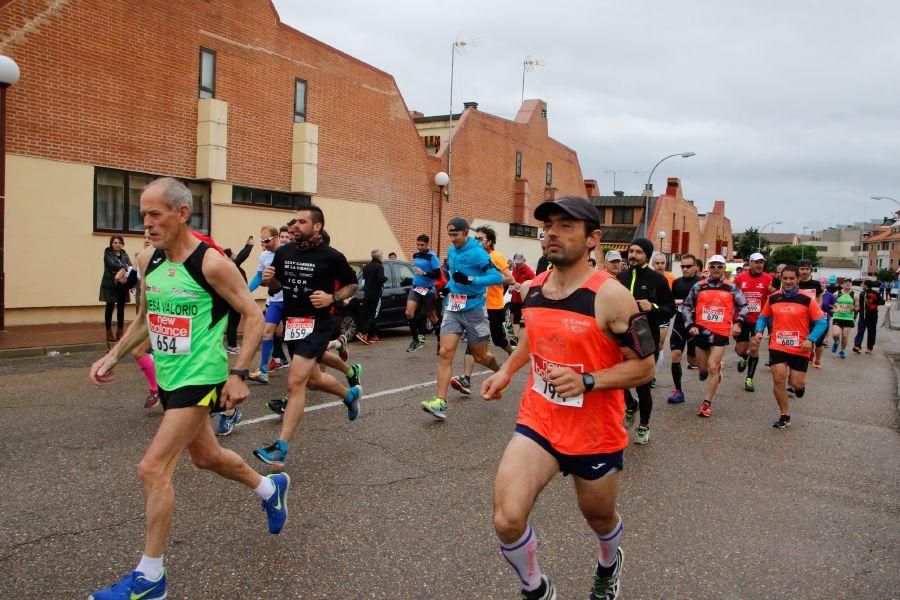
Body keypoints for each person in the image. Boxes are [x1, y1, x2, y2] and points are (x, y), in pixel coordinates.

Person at [87, 178, 289, 600]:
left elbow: (252, 316)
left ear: (182, 213)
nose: (146, 223)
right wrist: (113, 355)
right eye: (143, 214)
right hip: (170, 376)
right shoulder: (148, 261)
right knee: (206, 457)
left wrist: (239, 373)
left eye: (155, 214)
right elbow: (145, 316)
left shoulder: (212, 263)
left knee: (152, 468)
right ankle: (271, 489)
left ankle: (151, 577)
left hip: (202, 376)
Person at [482, 195, 655, 600]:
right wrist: (507, 371)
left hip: (594, 432)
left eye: (566, 226)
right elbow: (534, 335)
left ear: (593, 238)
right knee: (507, 519)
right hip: (539, 421)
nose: (552, 234)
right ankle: (536, 590)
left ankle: (610, 564)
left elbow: (645, 367)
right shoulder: (535, 288)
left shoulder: (611, 296)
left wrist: (589, 381)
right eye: (548, 226)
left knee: (598, 516)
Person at [254, 204, 362, 468]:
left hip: (318, 324)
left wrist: (332, 297)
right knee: (312, 380)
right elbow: (278, 285)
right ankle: (350, 396)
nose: (295, 226)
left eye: (302, 222)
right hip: (293, 323)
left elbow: (353, 285)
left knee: (295, 383)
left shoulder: (331, 256)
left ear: (317, 227)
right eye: (295, 222)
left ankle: (280, 447)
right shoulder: (283, 252)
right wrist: (270, 280)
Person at [421, 216, 504, 421]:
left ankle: (502, 372)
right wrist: (449, 286)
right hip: (453, 307)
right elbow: (454, 275)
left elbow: (497, 277)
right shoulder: (451, 251)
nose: (453, 239)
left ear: (466, 233)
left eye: (456, 235)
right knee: (445, 352)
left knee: (480, 357)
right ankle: (440, 402)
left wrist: (470, 279)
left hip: (475, 309)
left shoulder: (477, 253)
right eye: (450, 235)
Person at [616, 237, 675, 444]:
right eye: (631, 251)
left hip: (645, 339)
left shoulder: (657, 280)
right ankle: (630, 405)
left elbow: (670, 309)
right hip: (621, 339)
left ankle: (644, 425)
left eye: (638, 252)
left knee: (643, 385)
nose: (633, 255)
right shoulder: (620, 278)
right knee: (618, 380)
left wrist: (653, 307)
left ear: (647, 256)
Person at [754, 265, 828, 429]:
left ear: (798, 279)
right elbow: (763, 317)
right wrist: (759, 330)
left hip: (800, 348)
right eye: (785, 278)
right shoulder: (773, 298)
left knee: (796, 383)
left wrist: (811, 339)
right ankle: (784, 414)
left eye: (791, 278)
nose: (788, 281)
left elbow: (822, 322)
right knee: (778, 378)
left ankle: (798, 387)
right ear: (780, 278)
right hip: (777, 345)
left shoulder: (807, 299)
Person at [450, 225, 516, 396]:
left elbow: (510, 279)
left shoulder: (496, 257)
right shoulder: (472, 256)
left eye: (481, 239)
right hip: (477, 307)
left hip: (493, 306)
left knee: (499, 339)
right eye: (476, 238)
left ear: (489, 241)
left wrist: (485, 280)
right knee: (473, 344)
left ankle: (514, 358)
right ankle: (466, 379)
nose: (477, 241)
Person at [682, 254, 748, 418]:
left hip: (720, 332)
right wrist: (690, 325)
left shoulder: (731, 287)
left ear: (724, 268)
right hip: (701, 331)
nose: (716, 269)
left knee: (712, 367)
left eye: (719, 266)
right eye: (713, 266)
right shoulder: (699, 286)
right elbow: (686, 306)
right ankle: (714, 370)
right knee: (703, 368)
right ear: (708, 268)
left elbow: (744, 306)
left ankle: (706, 404)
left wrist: (738, 323)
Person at [246, 226, 286, 384]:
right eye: (262, 241)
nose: (264, 244)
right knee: (267, 332)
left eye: (267, 241)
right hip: (275, 301)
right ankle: (263, 372)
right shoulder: (263, 256)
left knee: (296, 339)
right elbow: (258, 277)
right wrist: (246, 291)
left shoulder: (288, 251)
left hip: (291, 301)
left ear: (276, 237)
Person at [732, 252, 775, 391]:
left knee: (755, 347)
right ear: (750, 263)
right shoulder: (740, 279)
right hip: (742, 319)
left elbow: (773, 297)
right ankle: (744, 357)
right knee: (740, 350)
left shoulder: (768, 279)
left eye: (761, 262)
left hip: (759, 320)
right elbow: (732, 297)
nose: (759, 265)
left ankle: (749, 379)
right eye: (756, 262)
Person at [667, 254, 702, 404]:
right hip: (680, 323)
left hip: (695, 325)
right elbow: (671, 301)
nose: (685, 269)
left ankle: (709, 368)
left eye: (688, 266)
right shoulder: (677, 283)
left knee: (693, 360)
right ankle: (678, 391)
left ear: (696, 267)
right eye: (683, 266)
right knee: (675, 355)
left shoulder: (702, 283)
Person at [405, 234, 442, 352]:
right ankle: (416, 340)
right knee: (408, 312)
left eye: (422, 245)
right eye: (418, 244)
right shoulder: (416, 255)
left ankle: (440, 340)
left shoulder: (433, 257)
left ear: (427, 244)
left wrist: (424, 273)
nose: (419, 247)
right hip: (416, 288)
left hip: (428, 290)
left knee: (432, 317)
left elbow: (437, 275)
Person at [99, 235, 133, 343]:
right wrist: (124, 266)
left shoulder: (124, 254)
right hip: (110, 285)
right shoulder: (107, 254)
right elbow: (113, 265)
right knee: (109, 308)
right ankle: (108, 332)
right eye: (115, 242)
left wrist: (124, 267)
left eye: (119, 242)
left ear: (122, 244)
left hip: (122, 285)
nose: (117, 244)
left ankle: (120, 331)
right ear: (111, 244)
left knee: (121, 309)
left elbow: (130, 266)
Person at [223, 236, 254, 354]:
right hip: (234, 298)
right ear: (229, 258)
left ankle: (231, 345)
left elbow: (240, 256)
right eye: (233, 254)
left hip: (233, 297)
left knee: (232, 321)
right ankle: (232, 346)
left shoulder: (232, 266)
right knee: (234, 321)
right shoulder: (231, 266)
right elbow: (242, 256)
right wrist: (249, 246)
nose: (235, 255)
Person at [356, 249, 388, 344]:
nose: (382, 257)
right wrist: (385, 277)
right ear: (378, 257)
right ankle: (363, 333)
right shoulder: (379, 267)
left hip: (367, 294)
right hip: (376, 294)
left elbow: (364, 281)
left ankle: (372, 336)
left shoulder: (367, 267)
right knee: (375, 315)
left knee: (369, 315)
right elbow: (380, 279)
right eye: (382, 256)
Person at [650, 252, 676, 356]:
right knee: (651, 344)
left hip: (664, 315)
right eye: (657, 263)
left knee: (659, 343)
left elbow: (675, 296)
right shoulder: (648, 278)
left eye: (662, 263)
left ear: (665, 264)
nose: (660, 265)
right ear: (653, 264)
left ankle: (656, 368)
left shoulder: (672, 279)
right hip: (651, 314)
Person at [830, 278, 858, 358]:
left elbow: (857, 307)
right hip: (837, 317)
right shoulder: (837, 293)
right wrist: (835, 308)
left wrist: (852, 307)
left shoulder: (855, 295)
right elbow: (831, 303)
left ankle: (842, 351)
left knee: (845, 336)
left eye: (850, 282)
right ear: (843, 284)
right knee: (836, 334)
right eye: (846, 282)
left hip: (848, 318)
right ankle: (836, 342)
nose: (848, 284)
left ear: (851, 284)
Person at [853, 280, 883, 354]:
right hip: (863, 316)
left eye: (862, 284)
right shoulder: (862, 294)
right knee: (860, 331)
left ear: (866, 285)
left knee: (871, 332)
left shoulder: (875, 293)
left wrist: (873, 301)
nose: (861, 285)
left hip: (872, 317)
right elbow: (859, 305)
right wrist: (855, 315)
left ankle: (869, 347)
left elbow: (882, 302)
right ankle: (857, 346)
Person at [510, 252, 535, 339]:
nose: (518, 265)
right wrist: (511, 288)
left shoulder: (529, 271)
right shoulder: (515, 269)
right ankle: (515, 337)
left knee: (526, 320)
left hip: (524, 299)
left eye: (519, 263)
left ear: (524, 261)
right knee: (513, 317)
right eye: (516, 263)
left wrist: (522, 286)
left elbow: (533, 285)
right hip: (515, 298)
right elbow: (512, 280)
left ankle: (526, 338)